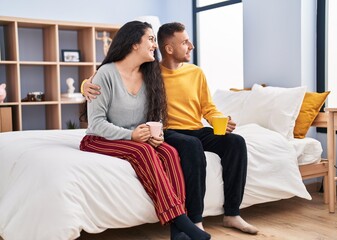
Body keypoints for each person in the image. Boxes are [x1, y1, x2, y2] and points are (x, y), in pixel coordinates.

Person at [82, 22, 258, 235]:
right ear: (169, 48)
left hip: (186, 129)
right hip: (168, 130)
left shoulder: (182, 73)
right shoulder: (151, 71)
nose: (191, 46)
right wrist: (85, 85)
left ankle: (231, 214)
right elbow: (110, 78)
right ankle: (192, 220)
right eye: (185, 42)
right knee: (186, 146)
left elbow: (207, 107)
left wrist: (218, 119)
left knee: (235, 142)